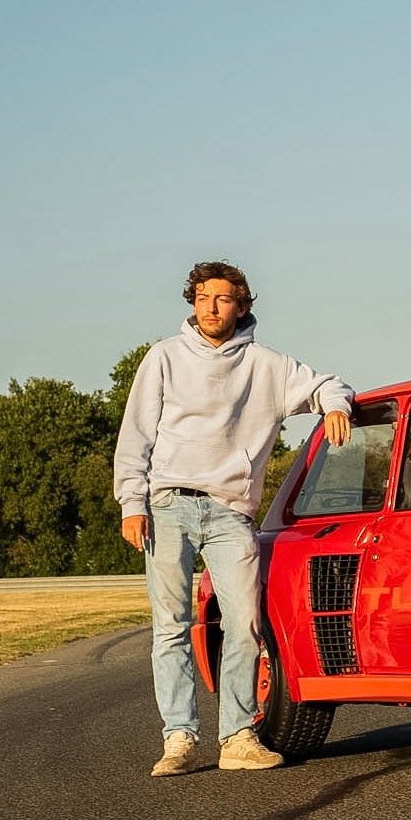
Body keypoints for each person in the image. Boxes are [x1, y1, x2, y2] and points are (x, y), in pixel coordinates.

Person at [115, 261, 354, 777]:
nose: (210, 308)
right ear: (192, 302)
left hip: (230, 511)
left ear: (241, 306)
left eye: (222, 299)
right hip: (168, 505)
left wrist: (336, 406)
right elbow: (136, 434)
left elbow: (329, 384)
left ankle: (238, 737)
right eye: (202, 298)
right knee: (171, 627)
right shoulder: (164, 357)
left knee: (244, 623)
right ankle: (179, 739)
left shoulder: (266, 365)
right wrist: (131, 503)